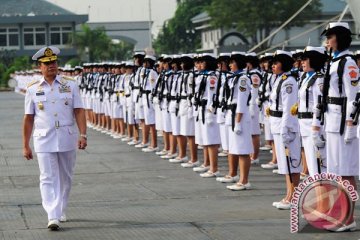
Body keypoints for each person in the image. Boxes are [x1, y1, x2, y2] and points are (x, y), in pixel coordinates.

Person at [22, 46, 87, 230]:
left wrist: (83, 134)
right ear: (40, 67)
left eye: (54, 62)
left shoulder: (70, 84)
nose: (51, 66)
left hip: (66, 137)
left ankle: (60, 209)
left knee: (66, 177)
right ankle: (52, 215)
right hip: (43, 139)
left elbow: (79, 110)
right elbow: (28, 118)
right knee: (47, 177)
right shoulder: (33, 89)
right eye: (47, 63)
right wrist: (25, 145)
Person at [320, 22, 359, 231]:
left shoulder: (348, 63)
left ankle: (349, 218)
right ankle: (340, 215)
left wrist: (351, 125)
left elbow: (354, 97)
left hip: (344, 125)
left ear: (340, 38)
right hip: (332, 123)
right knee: (335, 172)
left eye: (331, 35)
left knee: (346, 173)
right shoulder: (333, 62)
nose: (327, 39)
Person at [268, 50, 301, 210]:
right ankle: (289, 194)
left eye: (276, 63)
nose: (273, 66)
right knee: (284, 164)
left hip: (285, 125)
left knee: (291, 163)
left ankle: (294, 196)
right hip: (277, 123)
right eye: (272, 63)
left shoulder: (289, 82)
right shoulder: (280, 79)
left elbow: (289, 108)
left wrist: (286, 129)